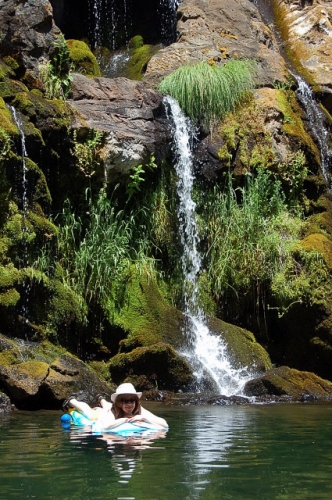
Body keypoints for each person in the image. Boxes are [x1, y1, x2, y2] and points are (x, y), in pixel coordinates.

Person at [62, 383, 168, 430]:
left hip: (111, 408)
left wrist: (144, 418)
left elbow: (164, 424)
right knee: (89, 412)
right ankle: (72, 400)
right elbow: (105, 426)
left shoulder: (138, 409)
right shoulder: (113, 410)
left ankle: (100, 398)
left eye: (132, 400)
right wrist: (125, 420)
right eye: (125, 401)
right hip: (101, 415)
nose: (129, 404)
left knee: (106, 404)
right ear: (119, 402)